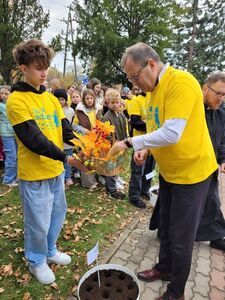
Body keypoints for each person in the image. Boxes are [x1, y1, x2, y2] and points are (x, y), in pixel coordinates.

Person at [115, 42, 217, 300]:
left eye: (135, 76)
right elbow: (155, 129)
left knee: (182, 238)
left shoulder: (181, 82)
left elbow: (172, 132)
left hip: (192, 174)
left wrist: (130, 142)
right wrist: (145, 150)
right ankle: (164, 268)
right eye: (130, 79)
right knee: (166, 227)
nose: (134, 83)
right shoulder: (151, 93)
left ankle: (176, 292)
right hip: (170, 173)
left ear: (151, 63)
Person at [6, 39, 86, 285]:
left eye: (46, 67)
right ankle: (36, 259)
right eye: (38, 67)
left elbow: (65, 129)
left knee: (56, 216)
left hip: (55, 171)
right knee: (37, 223)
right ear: (23, 67)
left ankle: (50, 250)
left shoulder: (51, 99)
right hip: (34, 174)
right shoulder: (16, 100)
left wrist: (89, 146)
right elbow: (34, 139)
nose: (44, 72)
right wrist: (67, 157)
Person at [195, 71, 225, 250]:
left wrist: (223, 158)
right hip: (191, 167)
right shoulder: (192, 109)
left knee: (213, 201)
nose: (221, 98)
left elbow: (222, 139)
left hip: (211, 166)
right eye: (218, 93)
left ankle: (216, 236)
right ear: (205, 88)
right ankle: (166, 232)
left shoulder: (221, 112)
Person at [128, 92, 155, 208]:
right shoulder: (136, 100)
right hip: (140, 142)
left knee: (150, 169)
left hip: (154, 141)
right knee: (138, 170)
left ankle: (145, 189)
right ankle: (134, 196)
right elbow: (135, 122)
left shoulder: (154, 98)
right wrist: (152, 126)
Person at [73, 89, 102, 189]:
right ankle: (88, 182)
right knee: (86, 160)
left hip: (96, 138)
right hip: (85, 139)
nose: (89, 100)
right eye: (87, 98)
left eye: (91, 98)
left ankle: (95, 178)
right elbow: (74, 125)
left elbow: (101, 122)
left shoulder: (97, 109)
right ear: (83, 99)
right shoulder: (80, 110)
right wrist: (85, 131)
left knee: (95, 159)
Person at [102, 88, 127, 200]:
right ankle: (112, 190)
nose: (115, 105)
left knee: (117, 165)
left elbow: (123, 129)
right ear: (108, 103)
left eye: (117, 102)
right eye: (112, 102)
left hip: (120, 144)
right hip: (111, 147)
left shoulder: (121, 115)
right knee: (110, 168)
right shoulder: (106, 117)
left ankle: (114, 182)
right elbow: (105, 134)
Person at [54, 89, 75, 187]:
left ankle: (68, 176)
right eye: (57, 99)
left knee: (68, 159)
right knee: (59, 160)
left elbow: (70, 124)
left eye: (62, 99)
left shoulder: (70, 111)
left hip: (67, 140)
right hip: (57, 139)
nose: (60, 101)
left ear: (66, 100)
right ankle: (60, 178)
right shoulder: (52, 110)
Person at [0, 86, 18, 187]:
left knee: (17, 157)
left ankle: (15, 177)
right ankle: (8, 180)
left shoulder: (14, 105)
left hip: (16, 133)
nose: (3, 95)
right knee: (11, 156)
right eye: (2, 93)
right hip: (6, 134)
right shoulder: (1, 106)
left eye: (6, 93)